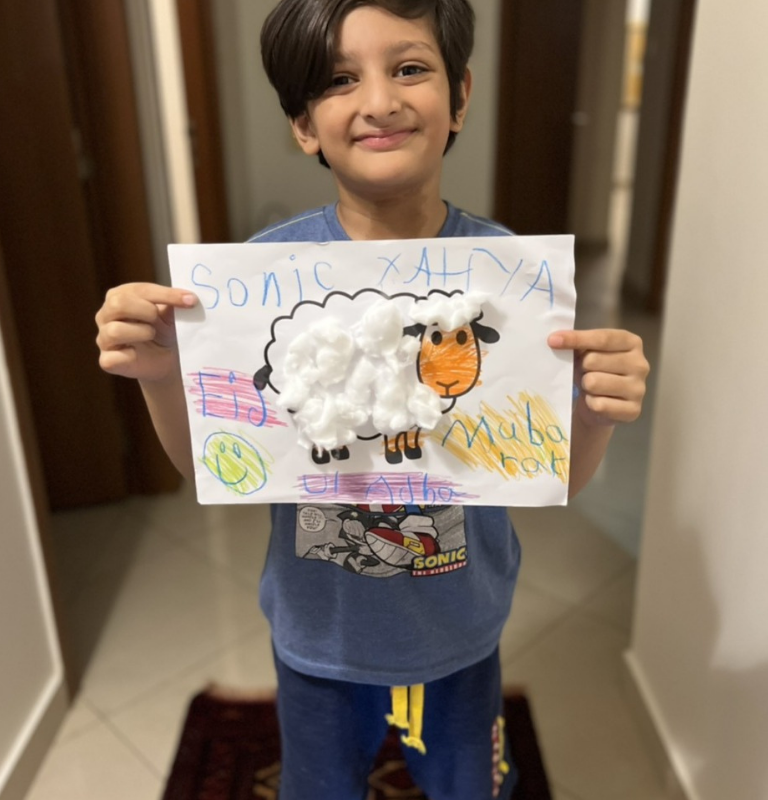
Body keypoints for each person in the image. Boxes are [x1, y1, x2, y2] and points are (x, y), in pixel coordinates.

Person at [95, 0, 650, 797]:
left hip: (462, 629)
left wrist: (590, 416)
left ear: (459, 97)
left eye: (410, 68)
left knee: (469, 786)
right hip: (320, 633)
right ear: (303, 124)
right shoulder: (259, 274)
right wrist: (159, 374)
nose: (380, 101)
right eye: (339, 80)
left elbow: (553, 474)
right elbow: (216, 465)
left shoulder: (508, 275)